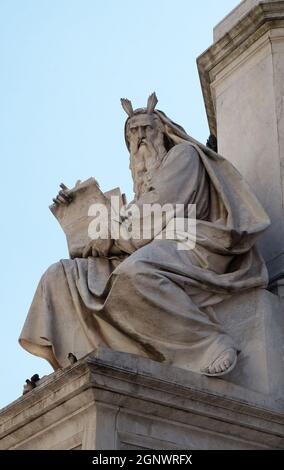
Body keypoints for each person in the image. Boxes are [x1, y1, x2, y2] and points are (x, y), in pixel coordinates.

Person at [19, 93, 270, 377]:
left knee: (136, 273)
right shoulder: (141, 185)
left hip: (192, 240)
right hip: (149, 244)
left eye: (145, 128)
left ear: (162, 130)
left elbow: (157, 214)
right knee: (60, 274)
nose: (139, 136)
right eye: (132, 132)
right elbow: (136, 224)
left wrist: (106, 231)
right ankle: (78, 358)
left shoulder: (182, 156)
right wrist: (79, 209)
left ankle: (208, 343)